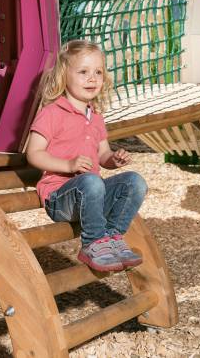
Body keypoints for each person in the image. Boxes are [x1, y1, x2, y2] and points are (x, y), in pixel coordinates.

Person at [26, 39, 148, 272]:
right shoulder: (52, 113)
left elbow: (102, 155)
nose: (92, 78)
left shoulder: (96, 116)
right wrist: (68, 164)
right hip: (61, 198)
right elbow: (33, 154)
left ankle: (111, 238)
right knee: (92, 182)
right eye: (83, 72)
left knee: (135, 182)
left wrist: (114, 160)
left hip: (93, 194)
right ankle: (92, 243)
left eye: (98, 72)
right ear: (64, 75)